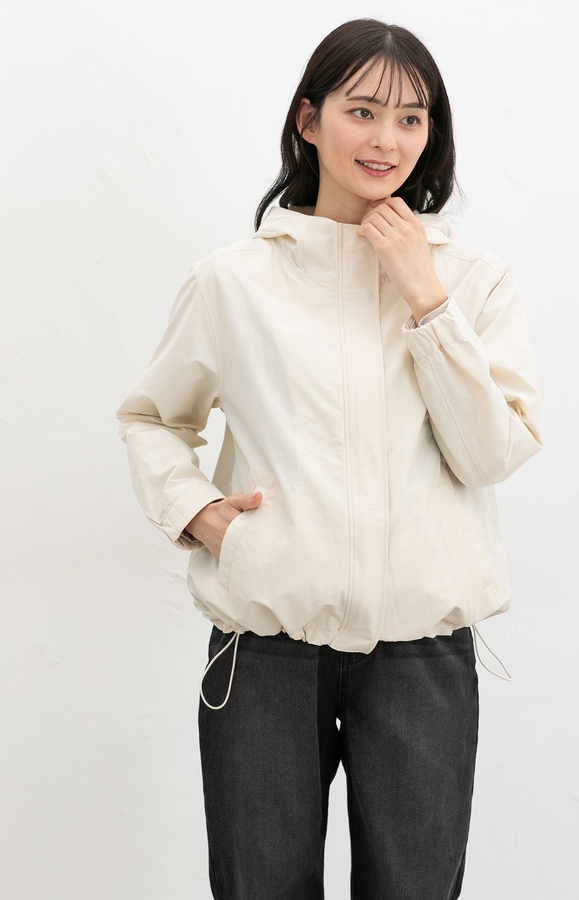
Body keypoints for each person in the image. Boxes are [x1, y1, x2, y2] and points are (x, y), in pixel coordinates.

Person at [117, 18, 541, 900]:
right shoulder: (233, 281)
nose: (388, 139)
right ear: (309, 121)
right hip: (265, 654)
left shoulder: (473, 282)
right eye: (363, 111)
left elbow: (489, 453)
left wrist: (424, 295)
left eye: (412, 118)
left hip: (421, 657)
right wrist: (198, 511)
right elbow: (152, 418)